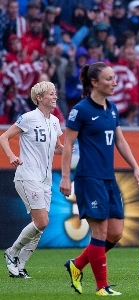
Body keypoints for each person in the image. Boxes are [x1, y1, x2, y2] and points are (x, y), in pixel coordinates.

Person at [59, 62, 139, 296]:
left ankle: (76, 265)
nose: (114, 82)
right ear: (94, 83)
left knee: (115, 233)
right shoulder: (81, 110)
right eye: (108, 79)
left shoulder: (113, 108)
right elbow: (68, 145)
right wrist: (66, 177)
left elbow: (120, 141)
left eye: (114, 78)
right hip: (89, 177)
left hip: (108, 178)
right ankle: (102, 287)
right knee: (100, 232)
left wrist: (136, 167)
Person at [1, 81, 63, 279]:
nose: (55, 97)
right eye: (51, 94)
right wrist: (11, 156)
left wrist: (78, 146)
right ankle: (12, 253)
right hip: (27, 175)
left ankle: (19, 266)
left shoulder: (54, 121)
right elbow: (4, 137)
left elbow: (59, 148)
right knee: (42, 221)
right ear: (39, 97)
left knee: (39, 225)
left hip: (46, 179)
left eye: (55, 93)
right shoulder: (28, 118)